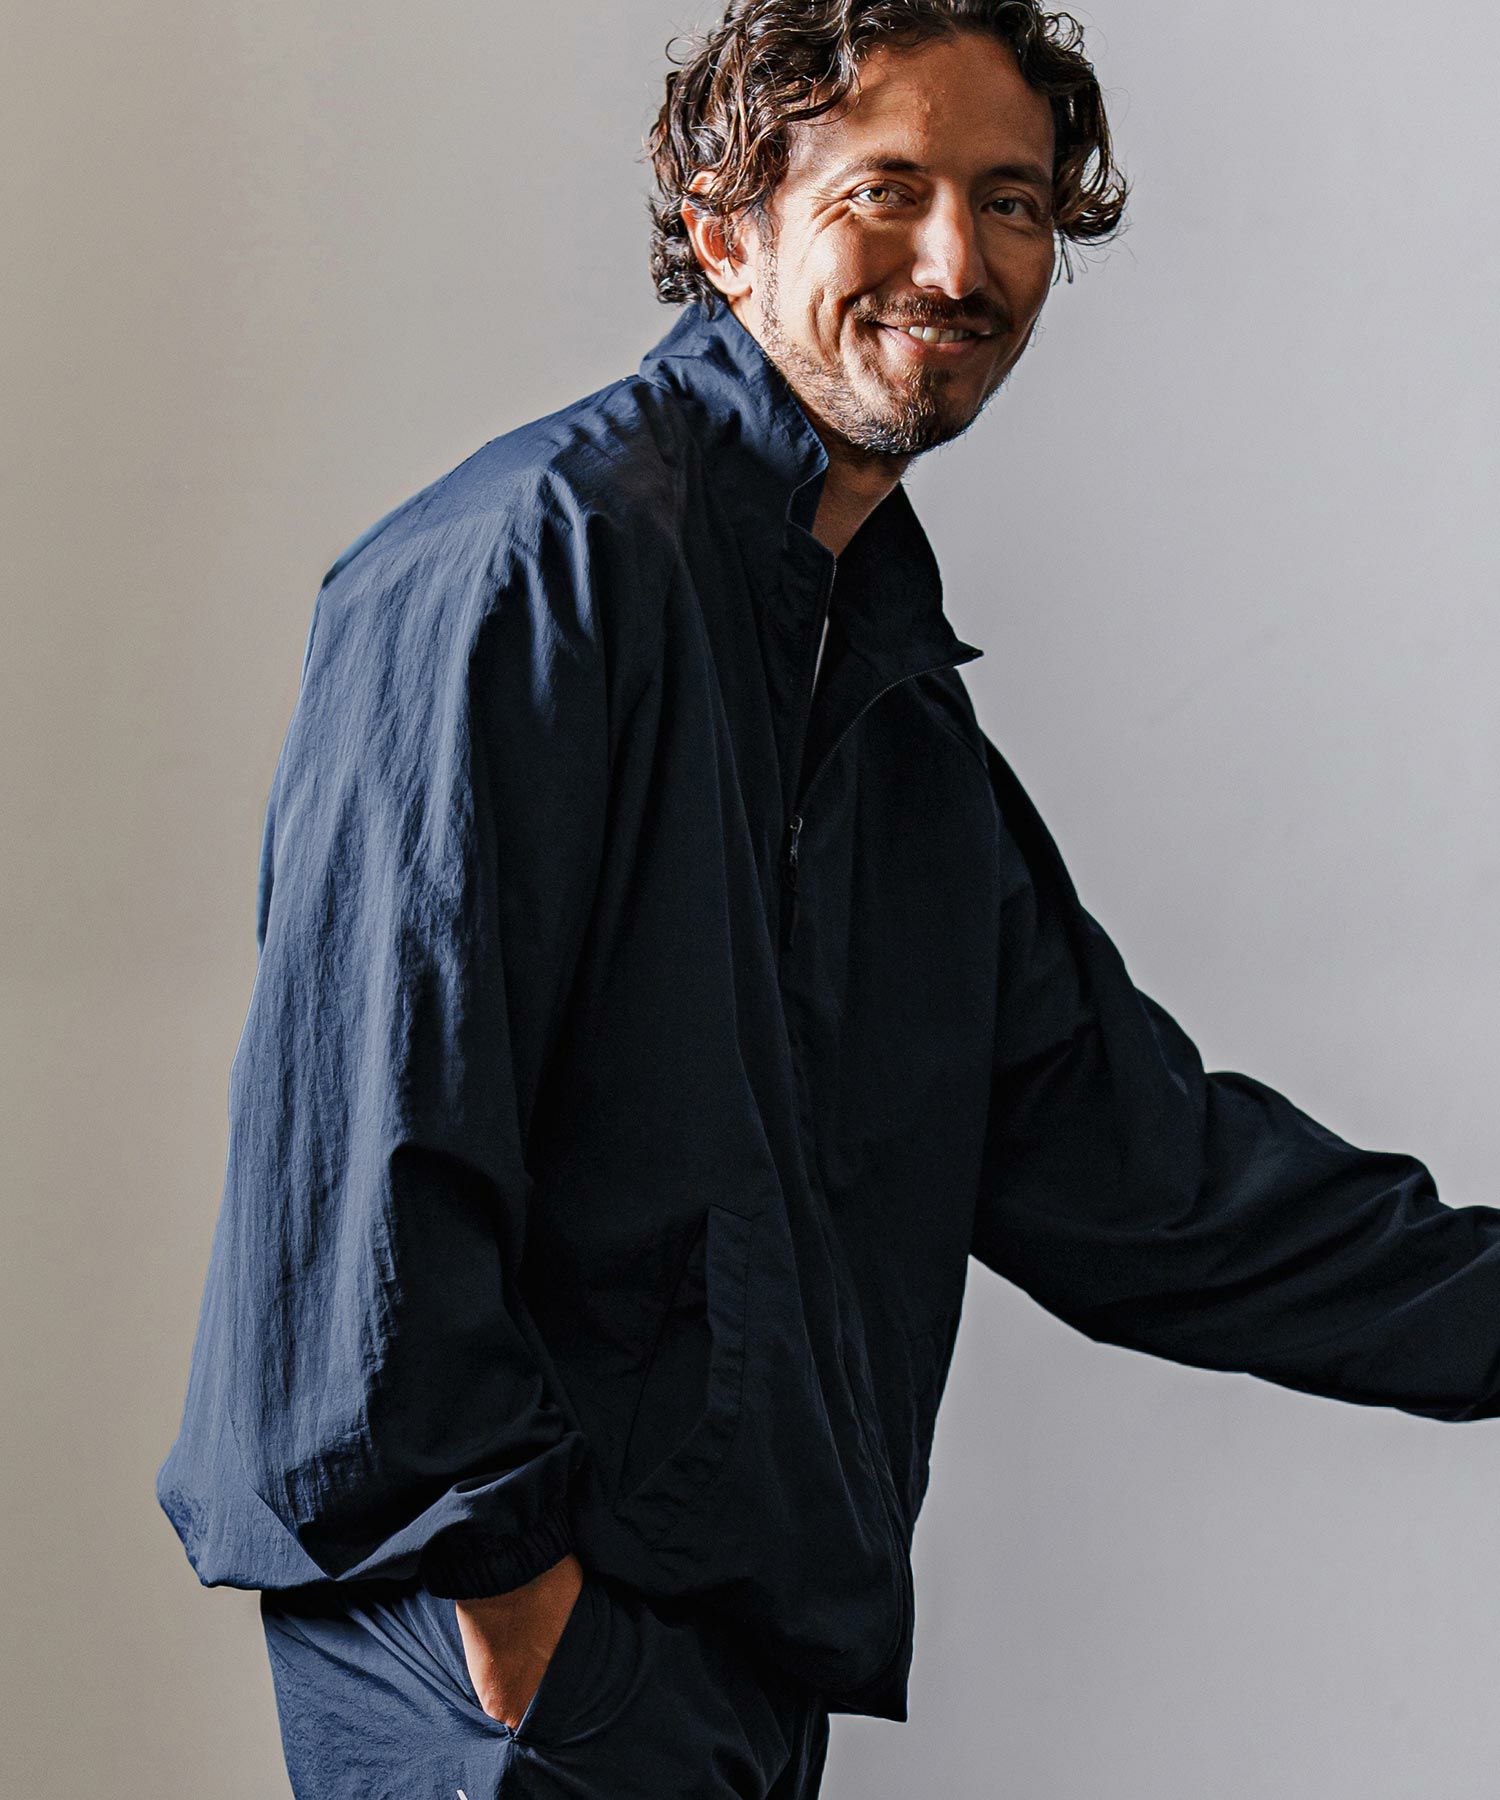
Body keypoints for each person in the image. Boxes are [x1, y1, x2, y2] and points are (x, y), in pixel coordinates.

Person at [155, 3, 1500, 1795]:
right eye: (889, 189)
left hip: (719, 1662)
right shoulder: (526, 568)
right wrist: (514, 1603)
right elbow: (360, 1138)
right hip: (504, 1662)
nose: (958, 262)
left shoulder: (882, 692)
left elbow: (1150, 1181)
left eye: (1012, 201)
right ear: (724, 228)